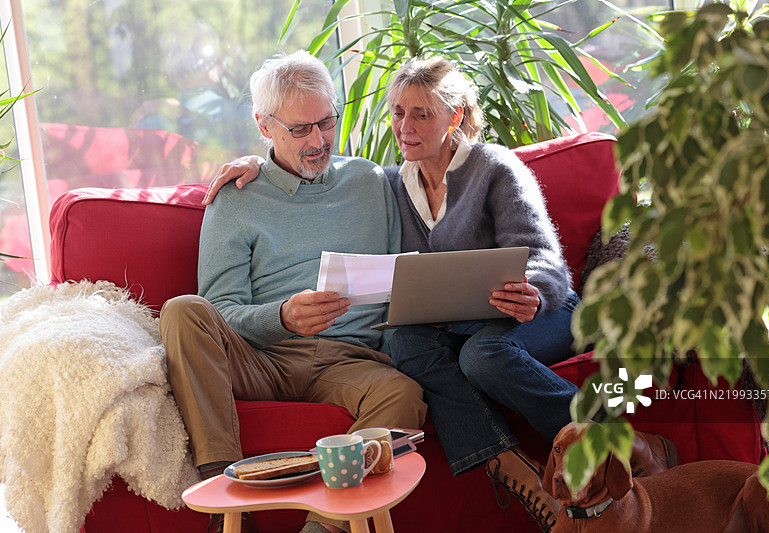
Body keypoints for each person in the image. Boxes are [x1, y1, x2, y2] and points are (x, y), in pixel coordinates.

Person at [207, 56, 677, 533]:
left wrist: (531, 290)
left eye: (421, 114)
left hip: (537, 315)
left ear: (455, 116)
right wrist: (256, 165)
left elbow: (549, 263)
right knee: (409, 344)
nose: (405, 128)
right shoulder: (391, 184)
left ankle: (622, 441)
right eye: (396, 113)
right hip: (460, 324)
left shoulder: (496, 169)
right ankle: (509, 467)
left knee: (483, 356)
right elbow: (303, 167)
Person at [159, 51, 427, 533]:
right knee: (183, 312)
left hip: (350, 360)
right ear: (264, 126)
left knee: (403, 395)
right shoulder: (237, 198)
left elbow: (402, 268)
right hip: (263, 357)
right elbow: (218, 310)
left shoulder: (370, 182)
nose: (319, 141)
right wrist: (281, 317)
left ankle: (323, 527)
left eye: (327, 123)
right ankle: (222, 499)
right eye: (300, 130)